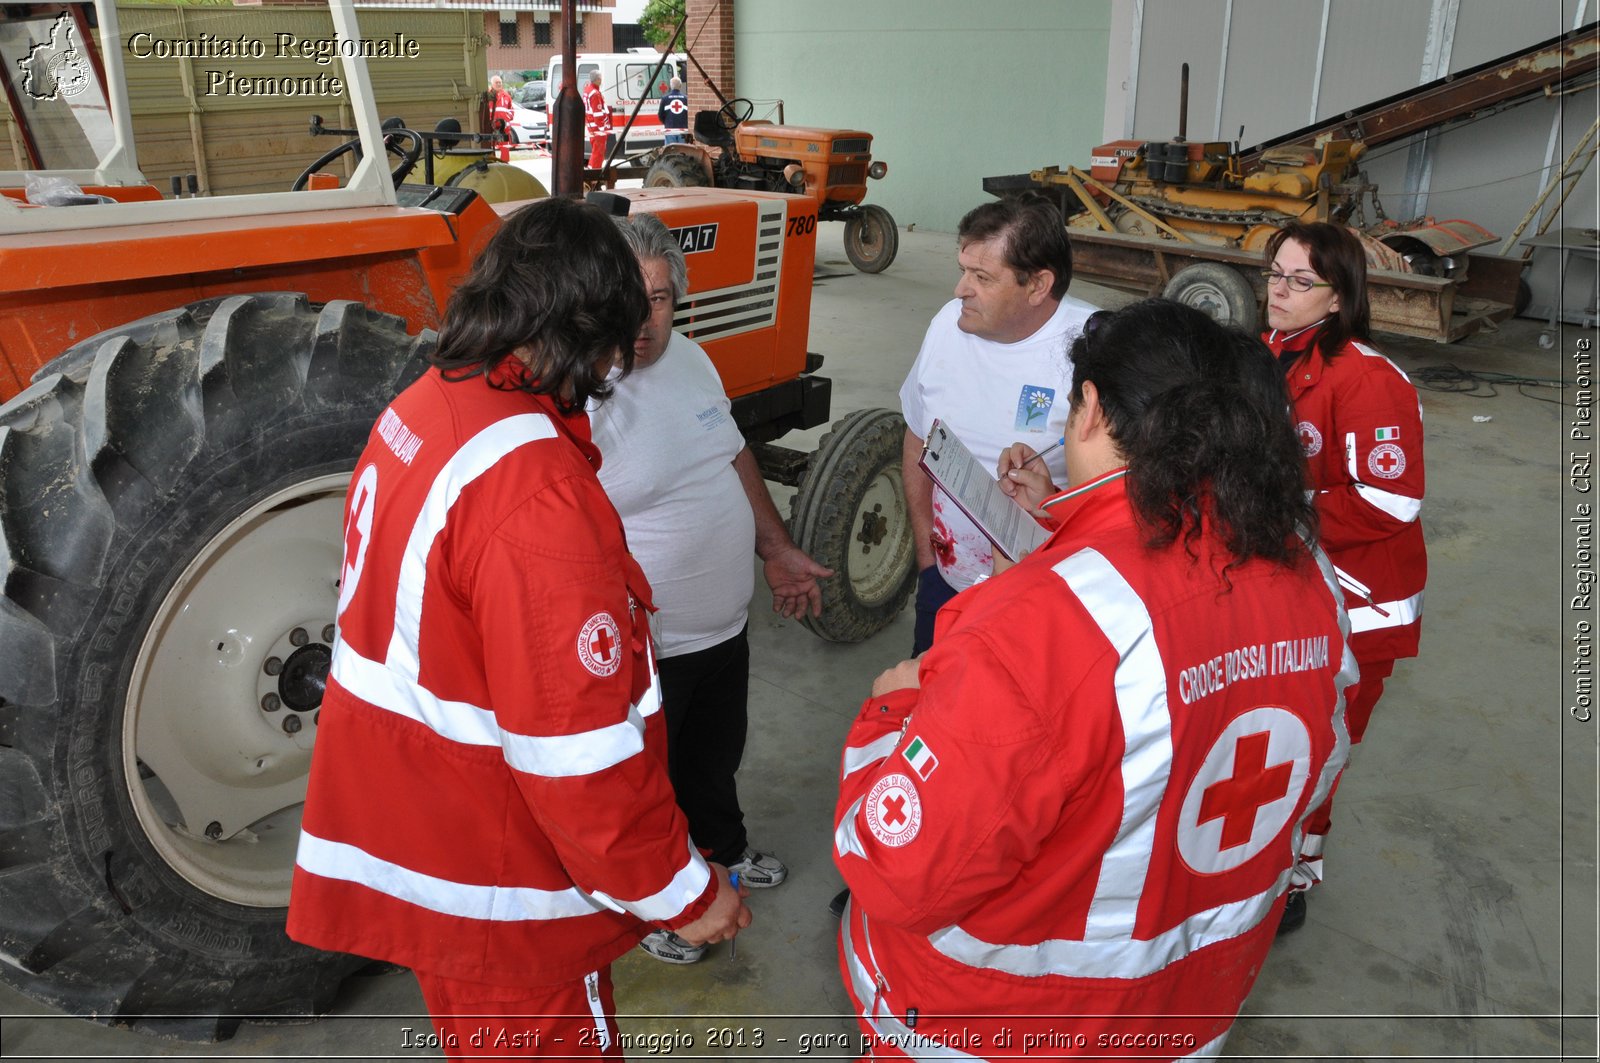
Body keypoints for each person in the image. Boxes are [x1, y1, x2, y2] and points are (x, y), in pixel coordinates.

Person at [286, 198, 749, 1059]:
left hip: (429, 829)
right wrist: (685, 892)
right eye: (616, 342)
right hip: (503, 878)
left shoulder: (426, 409)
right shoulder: (533, 493)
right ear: (589, 333)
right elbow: (579, 756)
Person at [834, 299, 1356, 1058]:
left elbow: (896, 868)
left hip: (993, 1027)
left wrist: (891, 713)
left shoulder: (1037, 627)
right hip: (1187, 1014)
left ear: (1089, 411)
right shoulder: (1310, 578)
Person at [589, 212, 833, 964]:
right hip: (648, 645)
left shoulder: (692, 359)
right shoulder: (583, 394)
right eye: (627, 298)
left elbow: (732, 457)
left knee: (713, 757)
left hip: (724, 626)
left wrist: (777, 547)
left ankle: (722, 852)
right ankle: (662, 906)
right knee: (645, 784)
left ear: (677, 301)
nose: (643, 319)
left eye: (659, 299)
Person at [1260, 221, 1426, 933]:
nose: (1280, 290)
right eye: (1274, 273)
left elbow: (1391, 499)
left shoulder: (1367, 379)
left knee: (1316, 749)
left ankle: (1294, 876)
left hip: (1361, 614)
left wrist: (1280, 509)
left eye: (1301, 281)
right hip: (1300, 593)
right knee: (1272, 742)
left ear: (1337, 299)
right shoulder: (1276, 354)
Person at [899, 192, 1098, 658]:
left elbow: (1130, 494)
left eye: (981, 277)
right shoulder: (949, 325)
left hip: (1046, 600)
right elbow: (916, 438)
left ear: (1037, 285)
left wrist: (1050, 502)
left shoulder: (1095, 349)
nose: (959, 290)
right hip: (945, 585)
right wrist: (928, 562)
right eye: (963, 269)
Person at [584, 69, 613, 171]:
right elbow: (598, 113)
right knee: (599, 152)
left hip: (591, 125)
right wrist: (602, 129)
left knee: (595, 151)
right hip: (597, 127)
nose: (601, 80)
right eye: (600, 78)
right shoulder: (595, 93)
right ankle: (594, 173)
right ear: (597, 79)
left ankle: (592, 170)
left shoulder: (588, 90)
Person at [661, 75, 689, 144]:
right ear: (680, 86)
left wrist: (667, 123)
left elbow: (660, 115)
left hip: (670, 129)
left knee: (670, 152)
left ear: (670, 86)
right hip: (683, 130)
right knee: (683, 151)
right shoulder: (686, 99)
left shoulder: (665, 98)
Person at [488, 74, 515, 139]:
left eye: (500, 82)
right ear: (492, 84)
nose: (499, 84)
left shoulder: (506, 96)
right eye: (496, 82)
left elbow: (511, 109)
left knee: (505, 147)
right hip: (491, 127)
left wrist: (507, 117)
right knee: (492, 146)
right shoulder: (488, 96)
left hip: (505, 128)